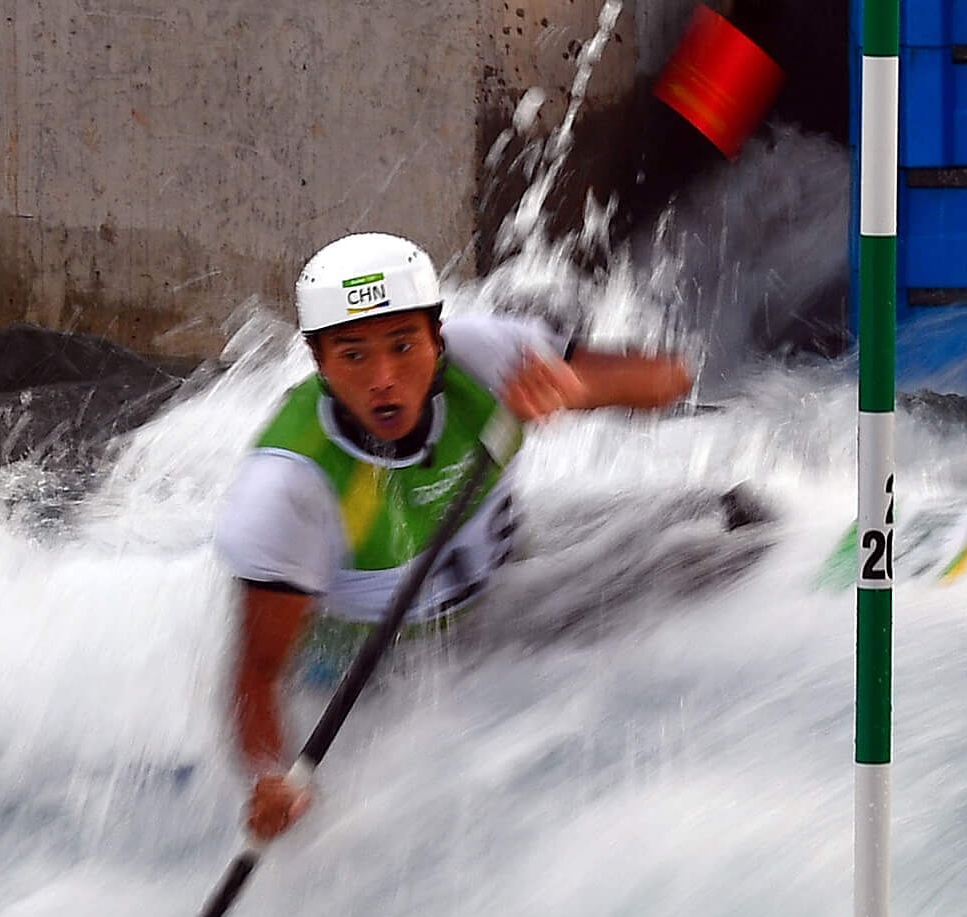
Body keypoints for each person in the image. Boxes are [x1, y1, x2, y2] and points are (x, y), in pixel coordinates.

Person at [215, 232, 695, 840]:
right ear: (318, 361)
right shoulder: (290, 488)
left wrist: (580, 387)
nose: (384, 378)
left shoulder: (487, 359)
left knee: (723, 532)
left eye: (403, 345)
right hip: (386, 673)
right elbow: (255, 676)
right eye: (353, 355)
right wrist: (269, 779)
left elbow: (670, 377)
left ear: (437, 338)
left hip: (515, 589)